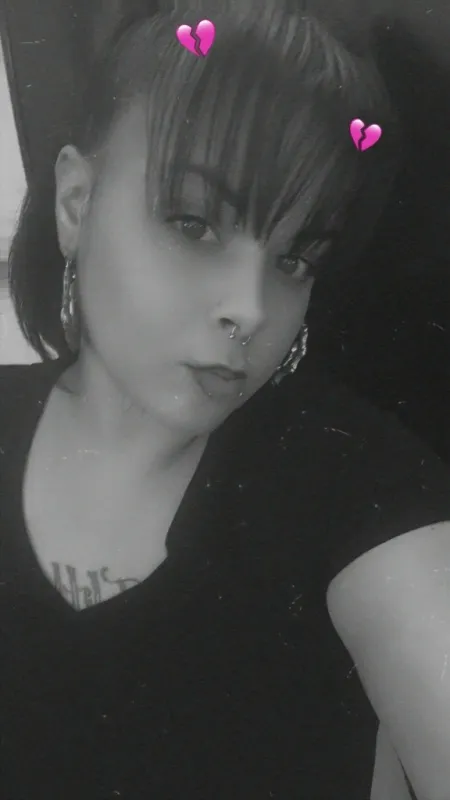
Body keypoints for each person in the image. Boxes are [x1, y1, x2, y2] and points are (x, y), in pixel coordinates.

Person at [1, 4, 450, 798]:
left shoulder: (352, 479)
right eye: (194, 223)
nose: (250, 307)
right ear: (76, 202)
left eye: (295, 259)